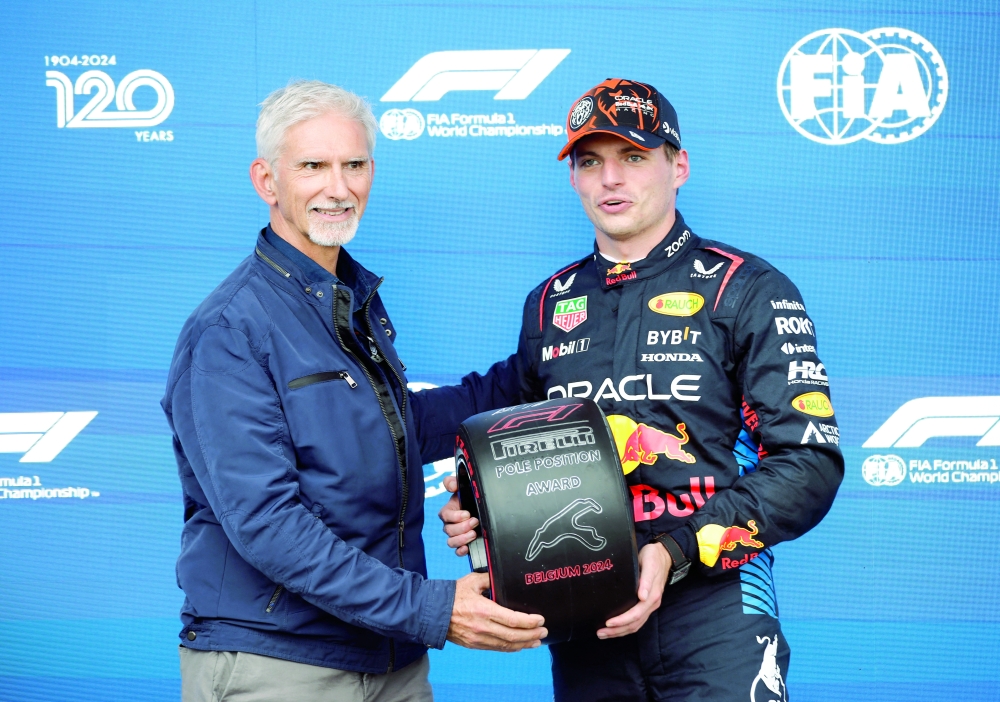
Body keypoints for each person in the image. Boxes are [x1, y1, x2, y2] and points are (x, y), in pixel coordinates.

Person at [438, 78, 844, 701]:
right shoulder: (549, 304)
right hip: (586, 617)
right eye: (590, 161)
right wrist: (480, 510)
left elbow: (809, 463)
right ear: (572, 177)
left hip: (717, 607)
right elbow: (520, 453)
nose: (610, 180)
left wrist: (674, 551)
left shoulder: (747, 289)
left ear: (677, 166)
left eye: (632, 157)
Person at [161, 80, 546, 702]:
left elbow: (392, 428)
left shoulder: (346, 301)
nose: (338, 188)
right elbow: (268, 524)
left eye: (355, 165)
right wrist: (431, 609)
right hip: (280, 663)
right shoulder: (229, 331)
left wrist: (534, 370)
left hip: (387, 656)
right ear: (267, 181)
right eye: (313, 166)